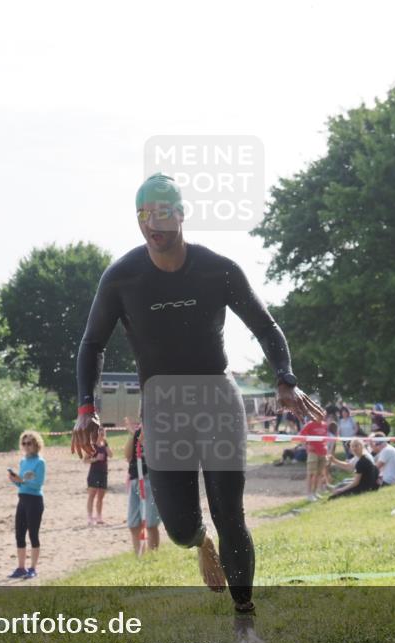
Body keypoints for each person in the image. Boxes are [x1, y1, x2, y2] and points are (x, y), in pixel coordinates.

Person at [72, 173, 323, 618]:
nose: (154, 224)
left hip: (217, 399)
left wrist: (286, 378)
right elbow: (91, 344)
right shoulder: (122, 277)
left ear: (182, 215)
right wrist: (86, 409)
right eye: (145, 215)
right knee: (180, 527)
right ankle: (200, 541)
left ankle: (245, 617)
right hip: (163, 408)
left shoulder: (217, 269)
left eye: (164, 213)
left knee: (231, 512)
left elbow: (266, 326)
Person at [8, 430, 46, 579]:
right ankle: (21, 567)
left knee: (33, 534)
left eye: (29, 443)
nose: (26, 446)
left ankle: (33, 568)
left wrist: (22, 480)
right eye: (24, 443)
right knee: (19, 534)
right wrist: (15, 480)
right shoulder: (23, 461)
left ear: (36, 445)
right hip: (22, 499)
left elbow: (38, 484)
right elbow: (22, 485)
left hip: (35, 501)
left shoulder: (40, 462)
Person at [125, 424, 161, 556]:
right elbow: (128, 456)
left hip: (150, 480)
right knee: (134, 524)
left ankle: (153, 557)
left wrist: (145, 439)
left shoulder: (157, 428)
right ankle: (139, 557)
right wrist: (132, 434)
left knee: (151, 524)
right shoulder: (138, 431)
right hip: (135, 479)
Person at [298, 414, 329, 500]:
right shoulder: (310, 424)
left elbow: (325, 438)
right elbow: (301, 435)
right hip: (313, 453)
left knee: (319, 474)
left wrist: (326, 449)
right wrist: (306, 445)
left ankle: (314, 492)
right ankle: (309, 494)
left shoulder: (325, 425)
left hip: (322, 452)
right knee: (311, 474)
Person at [84, 428, 112, 525]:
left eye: (103, 433)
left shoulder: (105, 445)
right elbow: (85, 460)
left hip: (103, 473)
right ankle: (89, 517)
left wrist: (106, 444)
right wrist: (95, 459)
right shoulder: (92, 446)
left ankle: (99, 516)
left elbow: (111, 455)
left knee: (101, 496)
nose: (101, 435)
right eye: (100, 433)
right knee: (92, 495)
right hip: (94, 473)